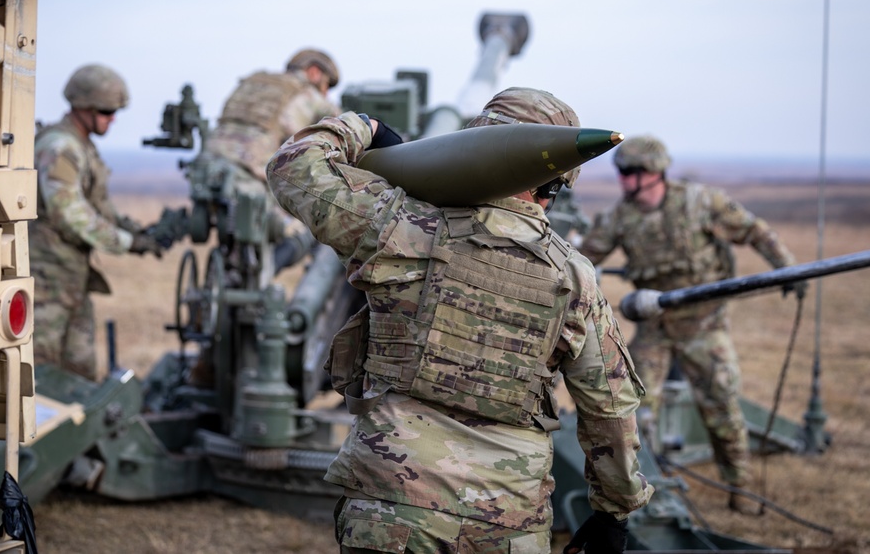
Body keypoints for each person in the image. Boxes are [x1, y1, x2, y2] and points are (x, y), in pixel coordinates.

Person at [267, 88, 653, 554]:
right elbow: (609, 408)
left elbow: (293, 166)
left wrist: (364, 128)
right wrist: (614, 512)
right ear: (555, 182)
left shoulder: (403, 228)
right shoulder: (575, 276)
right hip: (509, 520)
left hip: (393, 509)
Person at [578, 134, 804, 513]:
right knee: (631, 403)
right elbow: (583, 259)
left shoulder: (701, 202)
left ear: (653, 173)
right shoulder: (620, 217)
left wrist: (787, 269)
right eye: (620, 172)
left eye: (630, 172)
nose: (623, 179)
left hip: (704, 324)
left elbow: (754, 231)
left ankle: (741, 488)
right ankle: (644, 489)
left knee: (720, 404)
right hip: (657, 324)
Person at [29, 63, 163, 381]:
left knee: (81, 379)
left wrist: (135, 233)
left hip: (70, 284)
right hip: (46, 287)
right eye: (105, 111)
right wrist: (125, 242)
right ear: (83, 107)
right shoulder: (60, 147)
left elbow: (98, 208)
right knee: (40, 381)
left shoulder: (82, 147)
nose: (112, 118)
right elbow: (69, 212)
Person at [201, 48, 343, 272]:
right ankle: (262, 279)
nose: (325, 94)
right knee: (306, 228)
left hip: (207, 173)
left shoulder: (254, 84)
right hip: (249, 179)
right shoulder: (307, 95)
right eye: (326, 86)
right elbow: (343, 127)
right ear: (314, 73)